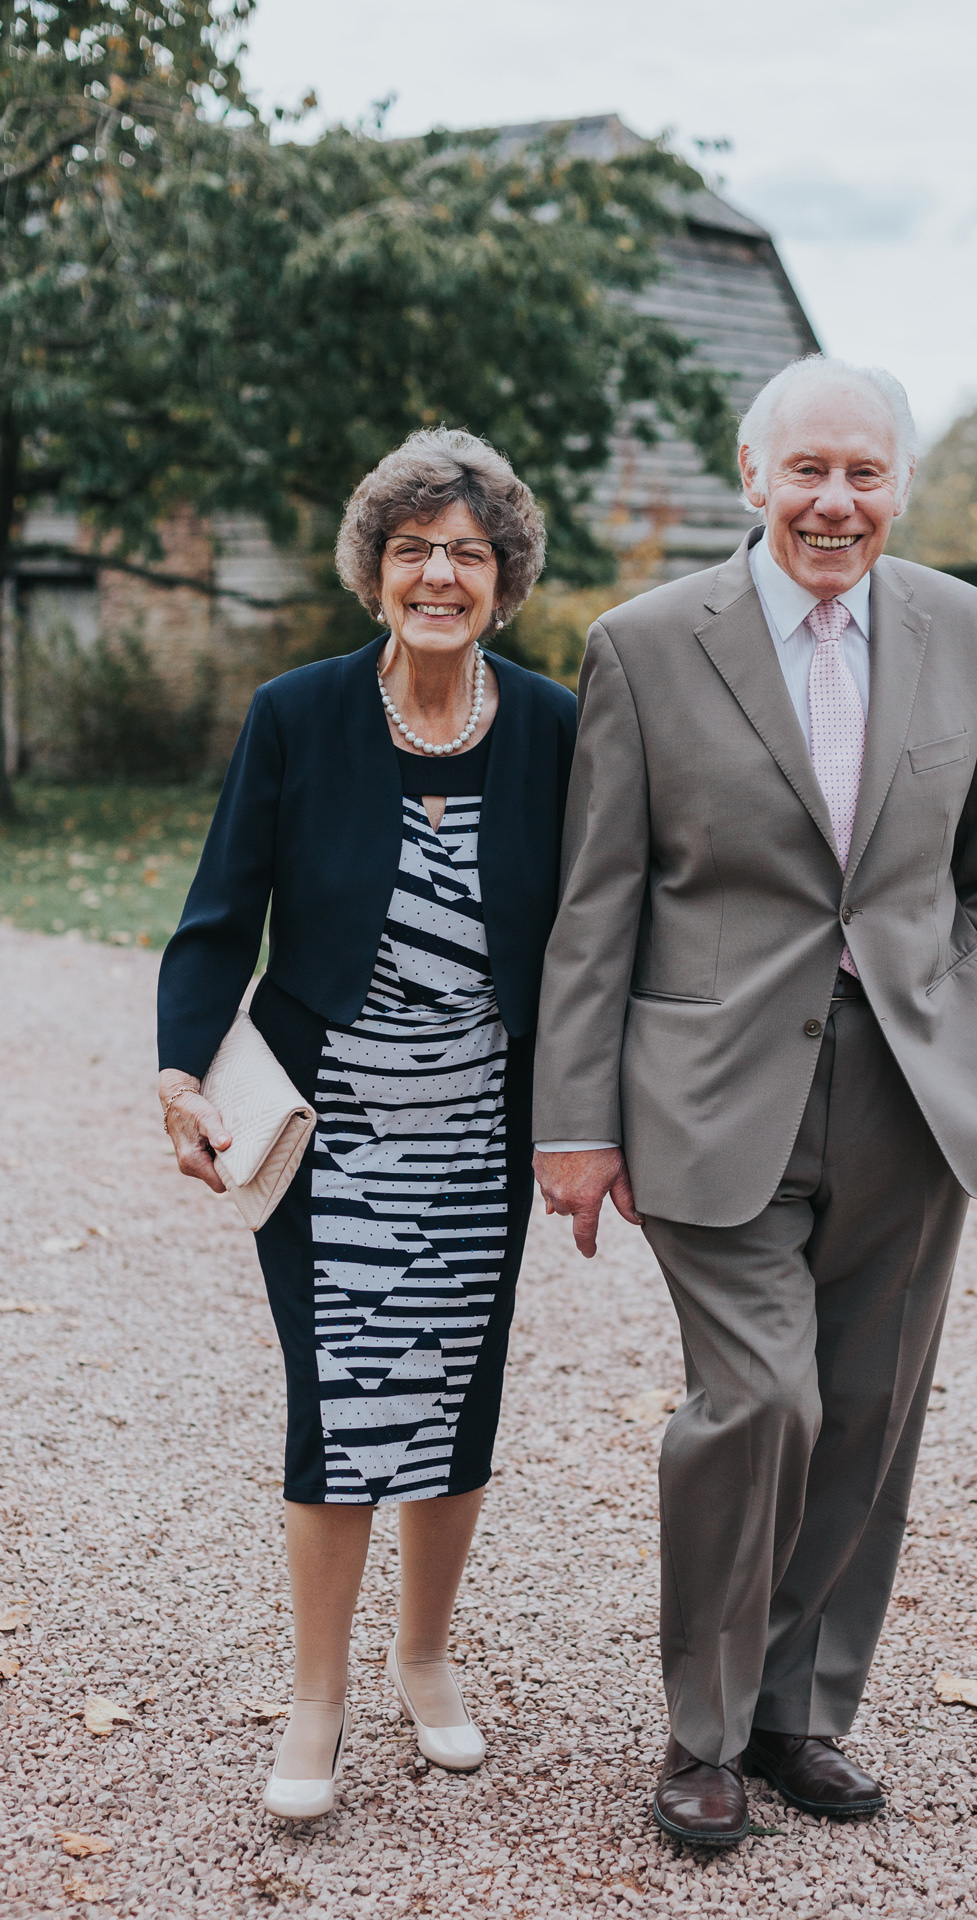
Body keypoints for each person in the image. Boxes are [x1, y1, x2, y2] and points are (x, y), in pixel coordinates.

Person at [532, 356, 977, 1845]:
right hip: (706, 1093)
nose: (835, 502)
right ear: (751, 480)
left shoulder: (967, 629)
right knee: (762, 1400)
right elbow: (594, 904)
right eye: (806, 472)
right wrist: (575, 1120)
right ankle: (700, 1732)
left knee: (870, 1414)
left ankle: (798, 1717)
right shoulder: (642, 645)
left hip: (910, 1093)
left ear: (897, 487)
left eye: (864, 474)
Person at [156, 428, 575, 1820]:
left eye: (466, 551)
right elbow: (222, 914)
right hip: (328, 1127)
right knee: (339, 1397)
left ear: (504, 577)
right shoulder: (298, 714)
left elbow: (590, 936)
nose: (439, 574)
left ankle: (429, 1660)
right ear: (375, 573)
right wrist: (177, 1070)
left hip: (475, 1126)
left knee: (454, 1386)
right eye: (413, 551)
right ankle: (317, 1692)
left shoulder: (558, 730)